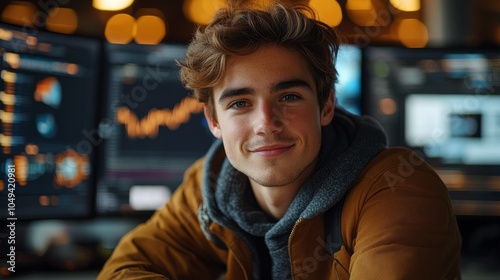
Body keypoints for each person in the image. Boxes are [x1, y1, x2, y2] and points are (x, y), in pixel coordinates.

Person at [97, 2, 462, 279]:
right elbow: (123, 268)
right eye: (240, 103)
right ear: (213, 121)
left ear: (326, 105)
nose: (266, 124)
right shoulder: (207, 187)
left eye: (288, 97)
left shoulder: (399, 187)